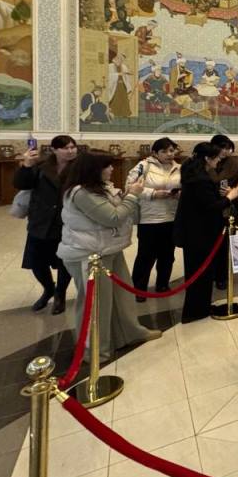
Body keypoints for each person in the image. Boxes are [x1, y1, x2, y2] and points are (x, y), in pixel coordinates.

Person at [57, 150, 161, 361]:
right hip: (90, 254)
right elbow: (112, 217)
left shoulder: (101, 187)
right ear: (94, 169)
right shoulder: (81, 193)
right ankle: (95, 350)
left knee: (122, 297)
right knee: (96, 304)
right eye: (108, 166)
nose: (112, 169)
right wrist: (132, 195)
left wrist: (127, 195)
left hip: (109, 248)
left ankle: (130, 332)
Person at [176, 143, 238, 323]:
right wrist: (231, 196)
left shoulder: (193, 173)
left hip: (195, 231)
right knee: (200, 274)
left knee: (201, 273)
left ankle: (200, 307)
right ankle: (195, 311)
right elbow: (211, 207)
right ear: (207, 159)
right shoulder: (200, 179)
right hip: (200, 234)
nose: (218, 161)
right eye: (216, 158)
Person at [14, 135, 78, 314]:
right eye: (65, 148)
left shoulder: (79, 168)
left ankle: (60, 294)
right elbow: (21, 184)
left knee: (64, 261)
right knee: (37, 262)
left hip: (66, 220)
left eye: (73, 147)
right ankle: (48, 288)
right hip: (41, 220)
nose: (70, 151)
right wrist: (26, 166)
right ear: (54, 150)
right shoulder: (41, 165)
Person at [126, 138, 181, 303]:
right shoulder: (143, 166)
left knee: (167, 255)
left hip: (171, 216)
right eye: (164, 151)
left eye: (171, 150)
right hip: (149, 218)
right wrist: (153, 194)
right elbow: (130, 187)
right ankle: (139, 288)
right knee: (146, 256)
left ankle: (162, 284)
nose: (169, 154)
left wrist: (179, 194)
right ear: (155, 153)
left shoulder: (179, 168)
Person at [208, 134, 238, 289]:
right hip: (210, 209)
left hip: (227, 209)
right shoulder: (206, 161)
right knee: (210, 245)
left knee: (224, 245)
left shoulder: (233, 163)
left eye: (228, 148)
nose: (225, 151)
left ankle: (222, 276)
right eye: (222, 148)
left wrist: (230, 191)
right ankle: (210, 274)